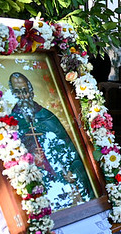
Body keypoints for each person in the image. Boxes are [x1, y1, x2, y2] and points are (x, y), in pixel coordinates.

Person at [8, 72, 94, 210]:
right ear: (13, 93)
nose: (23, 96)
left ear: (31, 92)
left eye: (25, 91)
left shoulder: (47, 116)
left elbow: (68, 147)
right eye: (18, 92)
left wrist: (69, 168)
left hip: (59, 171)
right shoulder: (12, 121)